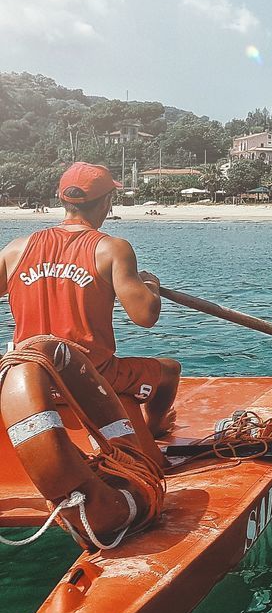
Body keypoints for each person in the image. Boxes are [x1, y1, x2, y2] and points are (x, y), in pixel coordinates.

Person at [0, 163, 180, 438]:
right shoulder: (112, 249)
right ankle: (154, 430)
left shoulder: (16, 249)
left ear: (62, 199)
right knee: (170, 371)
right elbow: (146, 316)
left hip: (28, 375)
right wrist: (150, 284)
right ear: (108, 201)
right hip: (92, 375)